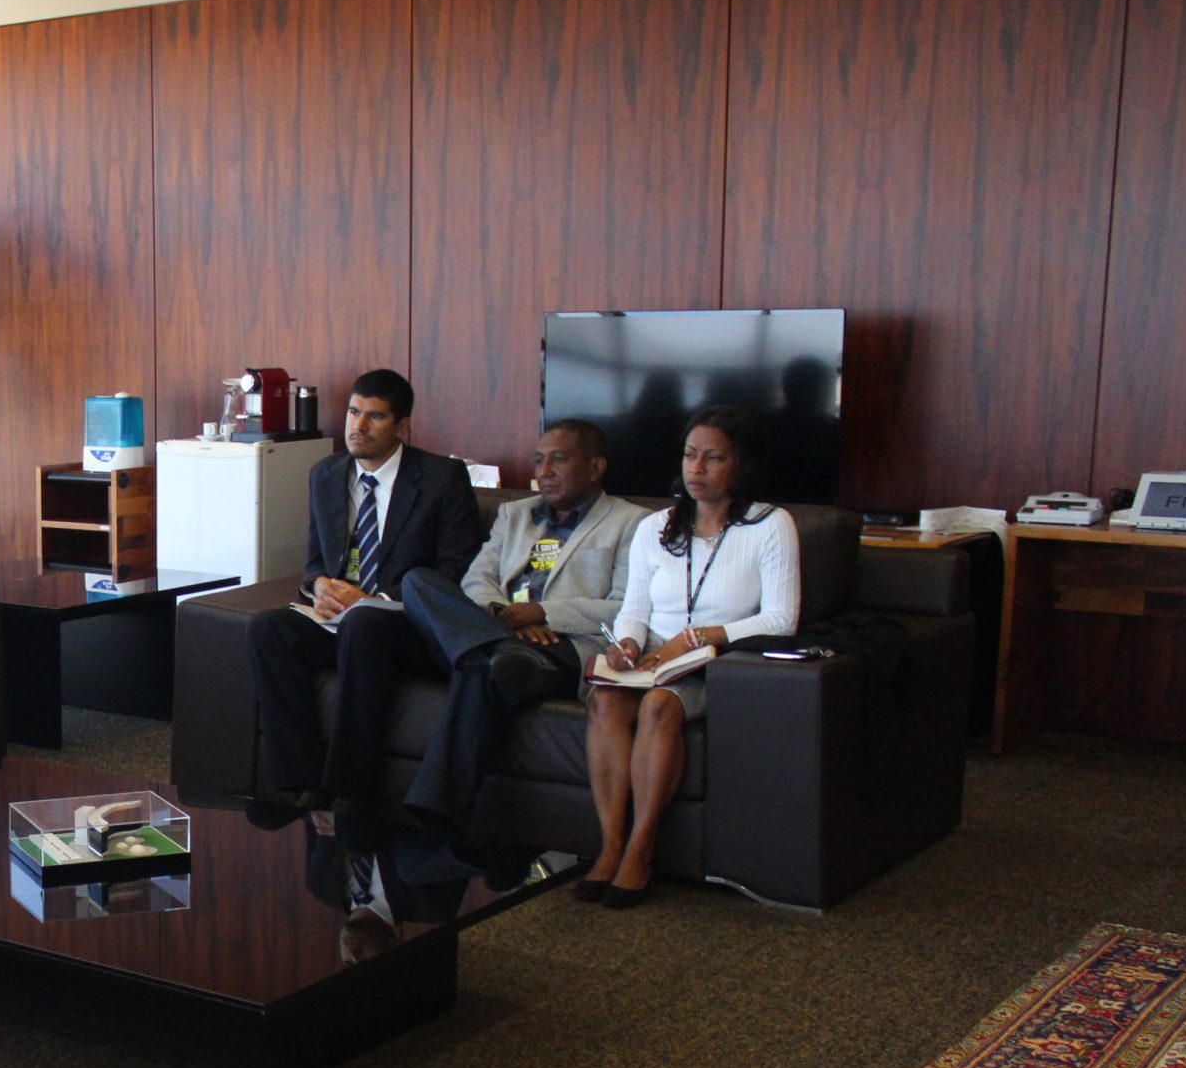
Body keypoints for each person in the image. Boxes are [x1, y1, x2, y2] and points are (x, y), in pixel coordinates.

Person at [584, 406, 800, 908]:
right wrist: (628, 643)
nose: (696, 468)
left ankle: (640, 850)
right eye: (689, 455)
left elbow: (781, 619)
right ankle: (610, 845)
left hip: (713, 663)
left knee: (661, 704)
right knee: (605, 700)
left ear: (742, 464)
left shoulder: (770, 525)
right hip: (652, 657)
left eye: (713, 458)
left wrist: (697, 639)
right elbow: (634, 610)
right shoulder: (655, 527)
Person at [247, 369, 486, 812]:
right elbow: (314, 560)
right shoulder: (326, 473)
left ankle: (350, 785)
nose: (358, 426)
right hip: (341, 618)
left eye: (374, 417)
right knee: (268, 628)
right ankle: (298, 779)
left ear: (401, 426)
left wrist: (377, 600)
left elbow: (456, 569)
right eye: (353, 412)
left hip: (406, 622)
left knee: (365, 623)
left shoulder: (442, 477)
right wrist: (319, 586)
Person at [397, 420, 639, 825]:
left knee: (483, 668)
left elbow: (626, 606)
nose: (545, 472)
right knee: (417, 581)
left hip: (564, 645)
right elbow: (476, 580)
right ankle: (497, 648)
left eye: (558, 460)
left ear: (595, 467)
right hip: (504, 633)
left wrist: (543, 613)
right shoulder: (514, 514)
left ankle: (436, 810)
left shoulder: (632, 522)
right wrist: (500, 620)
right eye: (539, 461)